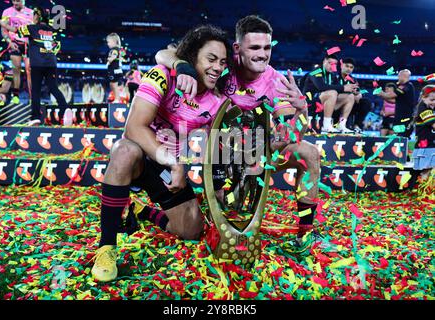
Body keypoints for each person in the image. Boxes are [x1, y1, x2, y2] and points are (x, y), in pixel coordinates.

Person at [156, 15, 328, 252]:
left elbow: (291, 133)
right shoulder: (221, 66)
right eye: (255, 47)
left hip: (259, 154)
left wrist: (302, 111)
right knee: (207, 228)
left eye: (267, 47)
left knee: (308, 153)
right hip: (220, 154)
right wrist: (182, 67)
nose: (262, 54)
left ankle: (305, 234)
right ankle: (171, 210)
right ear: (238, 48)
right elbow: (164, 54)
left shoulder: (276, 81)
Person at [91, 25, 232, 282]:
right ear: (191, 57)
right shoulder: (162, 75)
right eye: (210, 59)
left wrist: (220, 184)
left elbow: (216, 145)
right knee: (123, 150)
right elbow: (134, 127)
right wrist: (175, 163)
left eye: (222, 62)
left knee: (191, 230)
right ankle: (106, 247)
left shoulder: (217, 100)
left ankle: (142, 211)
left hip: (166, 170)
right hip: (141, 155)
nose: (217, 67)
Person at [0, 7, 72, 126]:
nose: (32, 18)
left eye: (33, 16)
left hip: (37, 64)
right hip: (51, 63)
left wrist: (3, 24)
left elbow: (15, 30)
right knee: (53, 88)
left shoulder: (31, 28)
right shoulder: (51, 29)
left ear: (37, 17)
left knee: (36, 90)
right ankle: (65, 109)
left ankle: (36, 117)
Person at [302, 54, 358, 133]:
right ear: (324, 61)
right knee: (332, 93)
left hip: (324, 103)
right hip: (310, 103)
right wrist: (343, 88)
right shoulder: (316, 71)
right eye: (330, 63)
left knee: (350, 96)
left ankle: (341, 125)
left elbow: (339, 88)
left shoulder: (332, 75)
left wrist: (352, 90)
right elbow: (321, 87)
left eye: (334, 64)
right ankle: (326, 125)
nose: (332, 66)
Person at [1, 0, 33, 103]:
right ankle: (16, 96)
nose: (15, 3)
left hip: (28, 45)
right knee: (16, 70)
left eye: (18, 1)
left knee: (29, 71)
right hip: (15, 44)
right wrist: (9, 42)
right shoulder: (7, 12)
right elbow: (3, 30)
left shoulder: (31, 13)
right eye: (13, 1)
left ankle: (32, 97)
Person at [378, 69, 415, 138]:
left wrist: (380, 93)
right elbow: (393, 100)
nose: (398, 78)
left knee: (401, 138)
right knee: (398, 138)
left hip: (404, 118)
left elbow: (390, 96)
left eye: (398, 76)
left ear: (403, 76)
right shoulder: (407, 86)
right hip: (400, 117)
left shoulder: (406, 86)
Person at [338, 57, 371, 133]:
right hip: (336, 103)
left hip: (350, 104)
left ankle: (357, 125)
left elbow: (359, 91)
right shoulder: (335, 76)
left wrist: (359, 94)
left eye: (351, 67)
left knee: (366, 102)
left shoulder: (353, 80)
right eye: (347, 66)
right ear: (341, 65)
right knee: (350, 97)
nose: (349, 69)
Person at [413, 85, 435, 180]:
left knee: (429, 170)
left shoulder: (429, 108)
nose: (434, 102)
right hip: (427, 145)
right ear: (423, 98)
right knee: (427, 171)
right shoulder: (424, 109)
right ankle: (423, 192)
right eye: (432, 100)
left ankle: (426, 191)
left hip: (429, 144)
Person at [106, 33, 124, 104]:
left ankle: (117, 99)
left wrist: (110, 59)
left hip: (115, 70)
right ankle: (117, 97)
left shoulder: (114, 50)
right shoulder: (118, 49)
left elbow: (114, 55)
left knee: (114, 84)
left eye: (108, 42)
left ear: (113, 41)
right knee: (112, 84)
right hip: (115, 70)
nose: (108, 44)